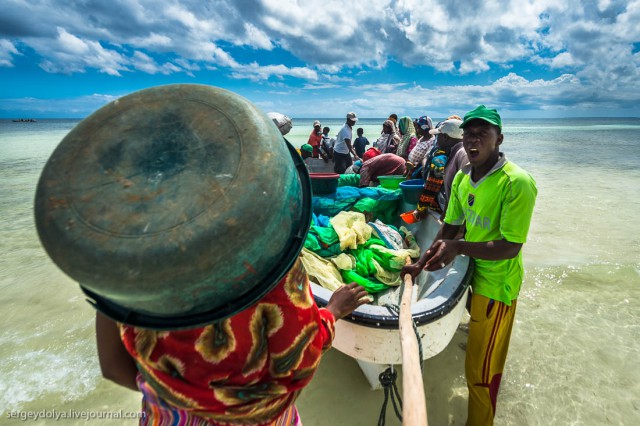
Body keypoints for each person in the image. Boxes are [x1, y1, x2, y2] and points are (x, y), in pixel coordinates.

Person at [403, 105, 537, 426]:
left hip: (497, 287)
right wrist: (419, 265)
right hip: (474, 274)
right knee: (475, 354)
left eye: (482, 134)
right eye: (468, 134)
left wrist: (459, 247)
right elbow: (449, 227)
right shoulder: (464, 178)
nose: (473, 141)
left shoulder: (516, 182)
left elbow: (510, 246)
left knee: (480, 376)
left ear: (499, 138)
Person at [414, 118, 466, 217]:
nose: (436, 138)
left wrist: (421, 208)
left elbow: (433, 184)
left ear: (445, 137)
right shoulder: (464, 151)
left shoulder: (441, 155)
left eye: (438, 135)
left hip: (445, 207)